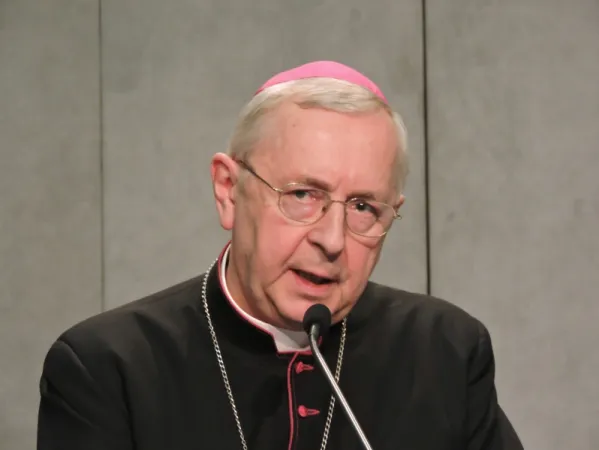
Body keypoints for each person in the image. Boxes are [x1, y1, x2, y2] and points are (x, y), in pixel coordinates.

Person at [37, 61, 524, 450]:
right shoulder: (109, 369)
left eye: (362, 207)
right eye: (302, 195)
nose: (332, 240)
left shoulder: (445, 351)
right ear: (228, 190)